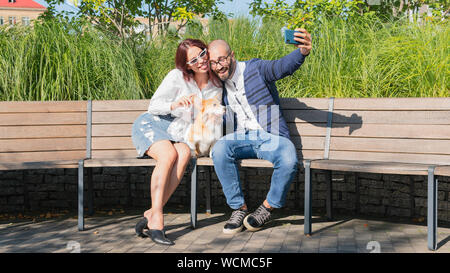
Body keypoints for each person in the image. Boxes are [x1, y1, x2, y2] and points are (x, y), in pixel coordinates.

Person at [208, 28, 312, 234]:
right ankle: (239, 209)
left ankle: (267, 208)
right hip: (240, 138)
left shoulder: (256, 69)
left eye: (222, 59)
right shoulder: (217, 84)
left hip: (269, 135)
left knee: (288, 158)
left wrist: (302, 52)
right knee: (219, 149)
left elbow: (281, 67)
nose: (219, 66)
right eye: (214, 62)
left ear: (232, 56)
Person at [132, 39, 222, 245]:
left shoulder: (215, 85)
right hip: (153, 124)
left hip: (178, 132)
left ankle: (152, 212)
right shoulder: (177, 77)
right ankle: (157, 221)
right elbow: (153, 105)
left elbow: (207, 117)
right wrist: (174, 104)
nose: (201, 61)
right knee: (169, 155)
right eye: (194, 59)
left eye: (202, 54)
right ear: (187, 65)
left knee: (183, 155)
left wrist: (211, 117)